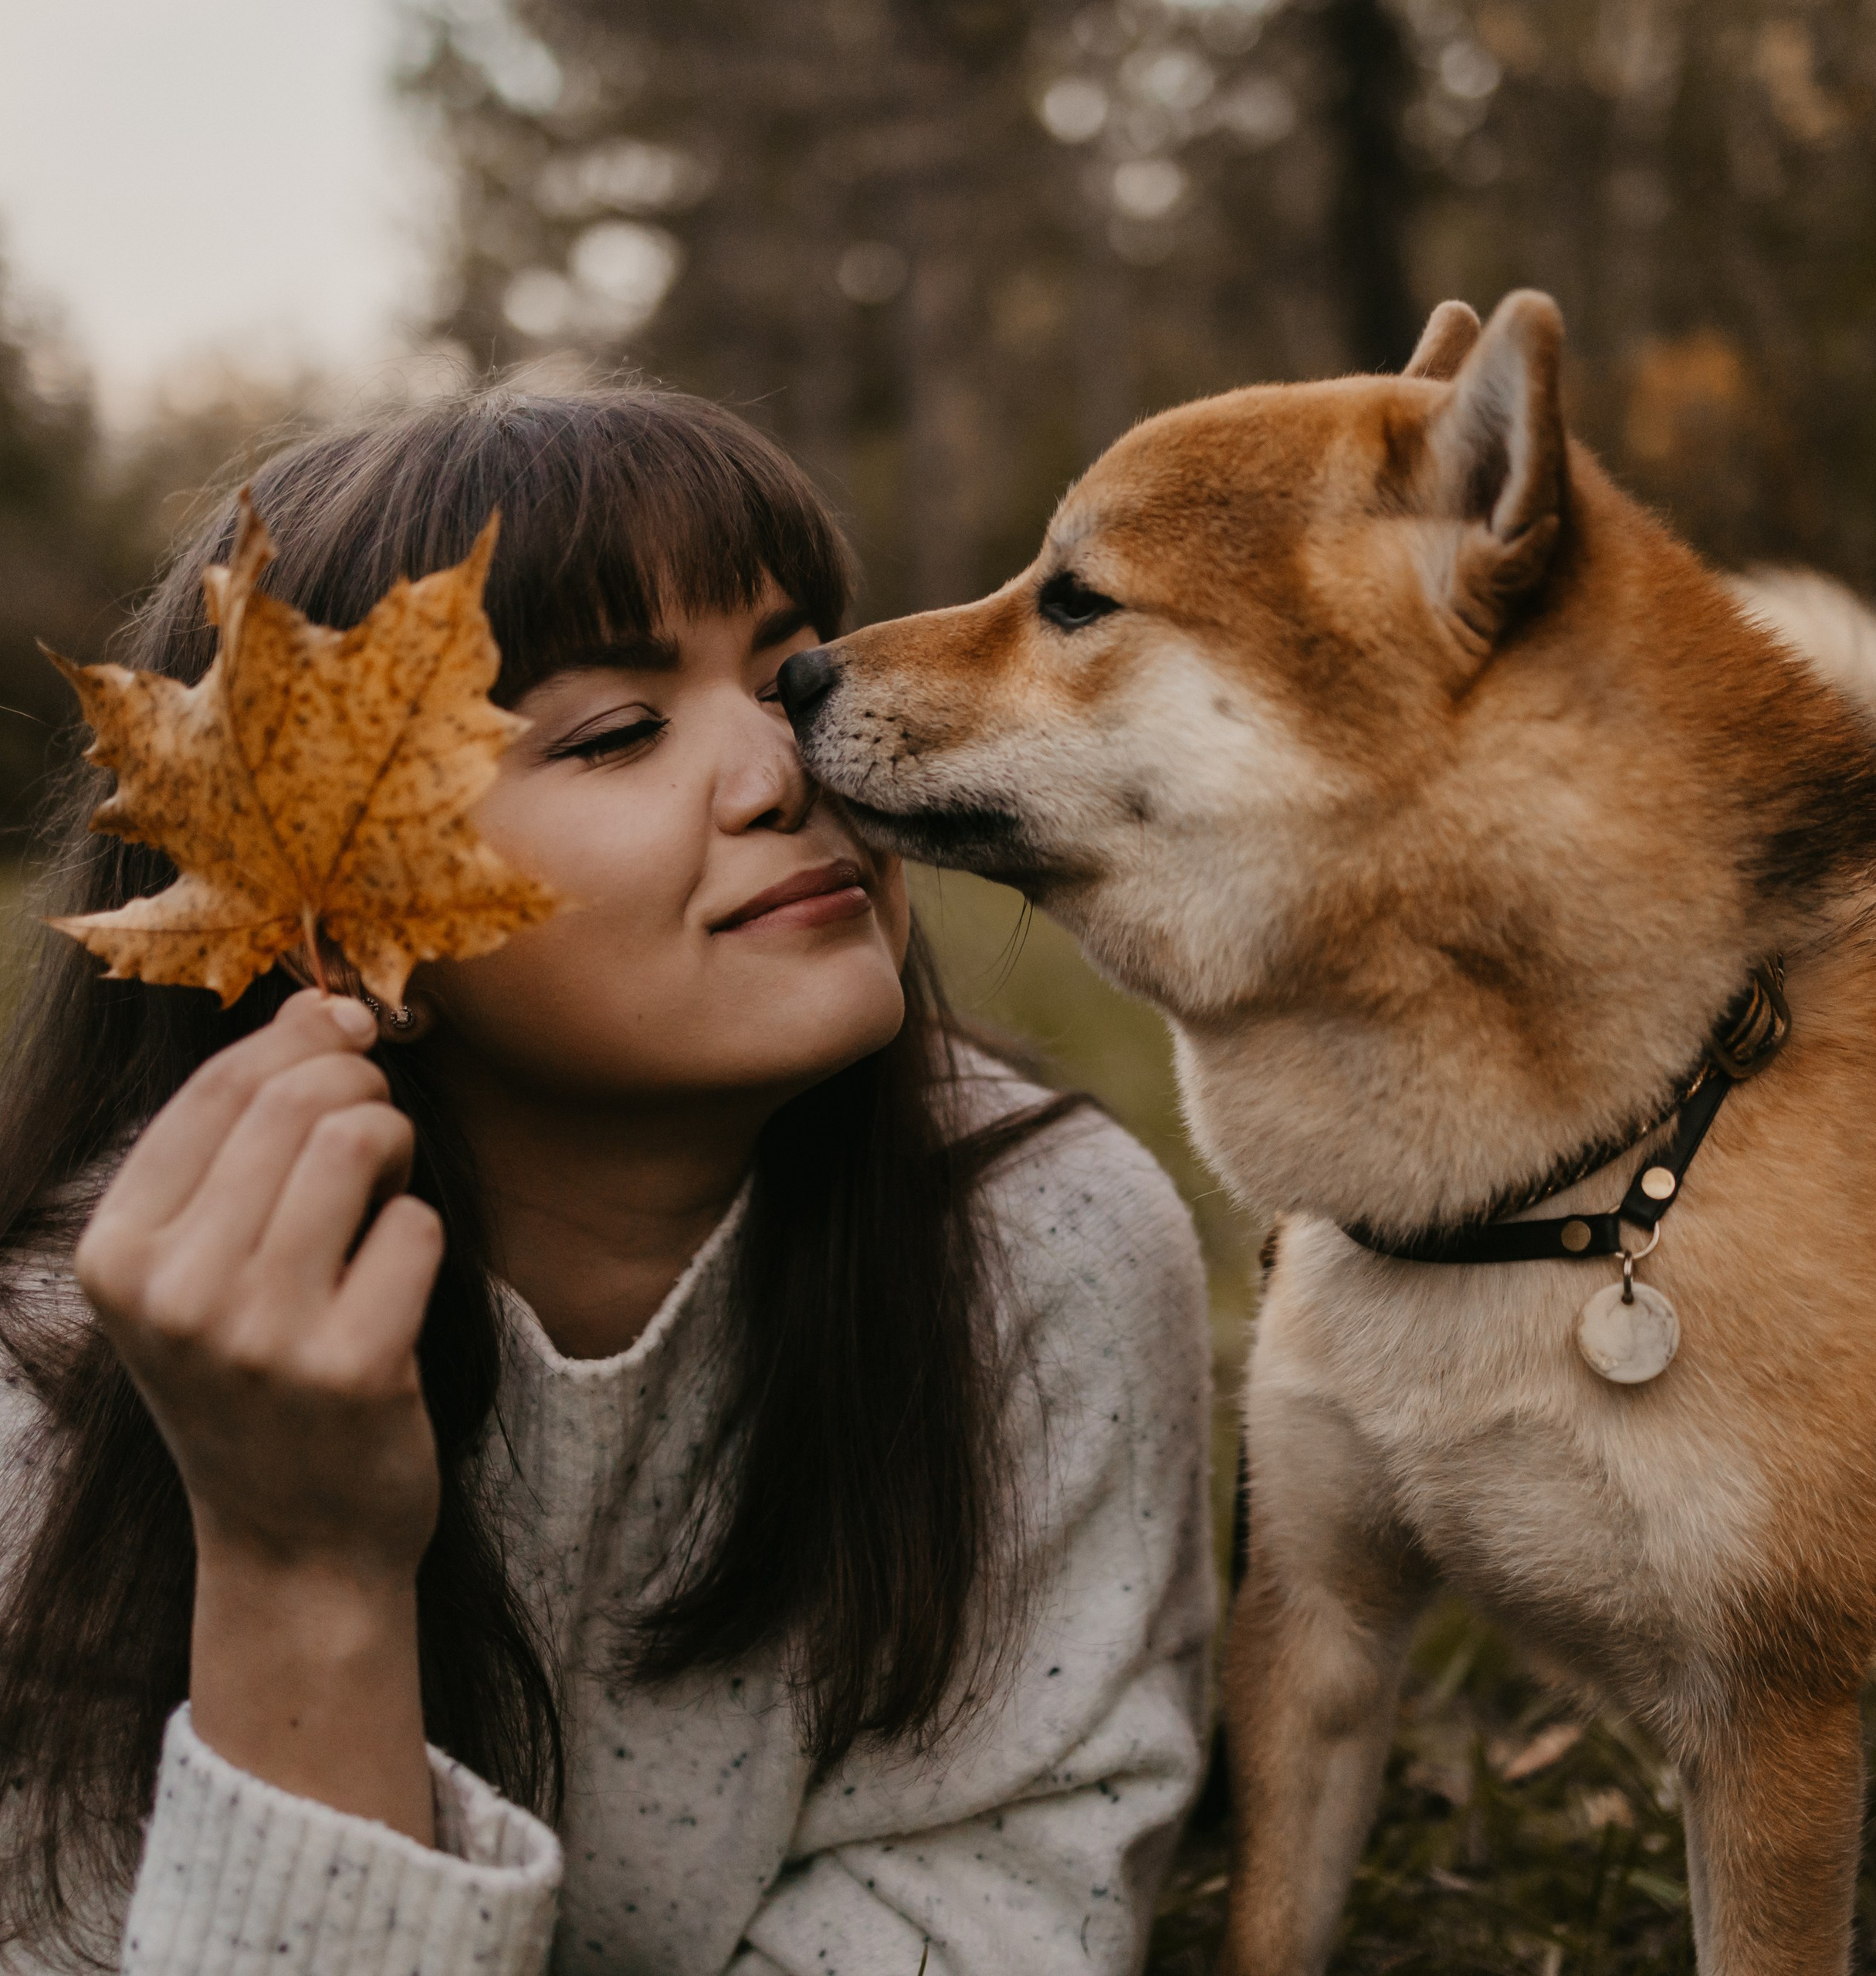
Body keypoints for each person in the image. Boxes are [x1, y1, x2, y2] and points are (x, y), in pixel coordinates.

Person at [0, 390, 1214, 1976]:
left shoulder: (1045, 1253)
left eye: (790, 675)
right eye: (613, 733)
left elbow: (993, 1903)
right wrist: (300, 1568)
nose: (787, 764)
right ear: (338, 926)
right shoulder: (64, 1381)